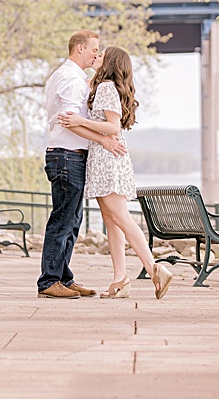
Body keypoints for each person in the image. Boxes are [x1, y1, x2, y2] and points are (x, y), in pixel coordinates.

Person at [57, 46, 174, 299]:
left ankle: (154, 269)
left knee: (120, 218)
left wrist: (80, 121)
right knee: (111, 221)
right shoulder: (101, 86)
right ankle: (120, 279)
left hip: (107, 159)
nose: (96, 57)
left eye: (101, 55)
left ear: (110, 62)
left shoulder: (107, 87)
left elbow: (112, 126)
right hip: (103, 158)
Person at [37, 31, 128, 299]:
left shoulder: (73, 78)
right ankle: (49, 280)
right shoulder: (70, 79)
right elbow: (70, 120)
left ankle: (63, 277)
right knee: (63, 220)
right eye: (94, 49)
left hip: (70, 155)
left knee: (73, 220)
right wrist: (105, 140)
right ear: (79, 48)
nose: (97, 55)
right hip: (67, 155)